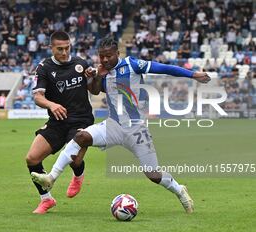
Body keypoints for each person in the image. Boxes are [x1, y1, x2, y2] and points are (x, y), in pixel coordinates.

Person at [31, 37, 211, 214]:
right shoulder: (102, 71)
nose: (105, 60)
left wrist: (193, 74)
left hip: (136, 129)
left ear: (117, 53)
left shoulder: (133, 65)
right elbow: (94, 91)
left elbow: (162, 68)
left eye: (109, 56)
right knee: (81, 137)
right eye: (102, 56)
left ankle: (180, 191)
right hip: (113, 125)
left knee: (153, 175)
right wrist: (95, 78)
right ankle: (51, 178)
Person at [26, 31, 99, 214]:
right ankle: (46, 199)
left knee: (74, 160)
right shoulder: (44, 68)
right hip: (57, 121)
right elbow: (37, 97)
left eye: (67, 48)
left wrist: (93, 78)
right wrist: (52, 105)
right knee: (32, 158)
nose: (65, 52)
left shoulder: (81, 64)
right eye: (60, 49)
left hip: (81, 120)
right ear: (51, 48)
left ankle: (78, 174)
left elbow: (94, 90)